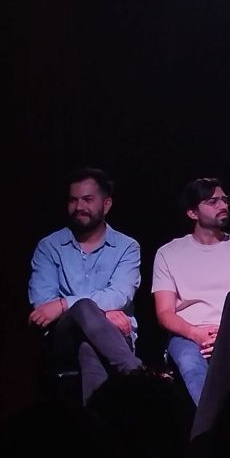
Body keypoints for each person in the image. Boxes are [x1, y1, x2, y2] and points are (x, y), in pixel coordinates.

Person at [27, 167, 144, 404]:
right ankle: (138, 375)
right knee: (83, 310)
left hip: (115, 337)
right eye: (73, 200)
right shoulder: (49, 247)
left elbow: (120, 294)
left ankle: (97, 428)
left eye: (88, 200)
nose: (79, 206)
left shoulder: (127, 247)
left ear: (107, 204)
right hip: (63, 338)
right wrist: (97, 313)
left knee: (89, 347)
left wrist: (64, 304)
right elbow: (43, 308)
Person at [152, 178, 230, 405]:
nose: (222, 205)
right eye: (213, 201)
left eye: (224, 199)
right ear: (193, 213)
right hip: (187, 335)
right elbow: (164, 312)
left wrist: (225, 335)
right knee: (190, 364)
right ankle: (213, 428)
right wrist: (195, 333)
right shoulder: (169, 253)